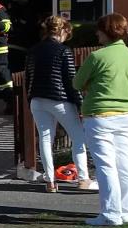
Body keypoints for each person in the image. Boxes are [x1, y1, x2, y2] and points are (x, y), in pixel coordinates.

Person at [74, 13, 128, 227]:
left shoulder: (97, 57)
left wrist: (90, 85)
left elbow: (77, 83)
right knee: (126, 163)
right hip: (126, 114)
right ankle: (126, 210)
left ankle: (111, 213)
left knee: (106, 165)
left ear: (105, 32)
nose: (96, 33)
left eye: (99, 30)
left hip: (100, 115)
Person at [25, 15, 93, 193]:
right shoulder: (64, 51)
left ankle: (50, 180)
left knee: (45, 138)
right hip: (60, 99)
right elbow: (71, 80)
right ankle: (83, 178)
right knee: (78, 137)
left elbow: (28, 77)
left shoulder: (33, 50)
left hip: (37, 99)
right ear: (63, 31)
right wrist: (80, 104)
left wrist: (30, 98)